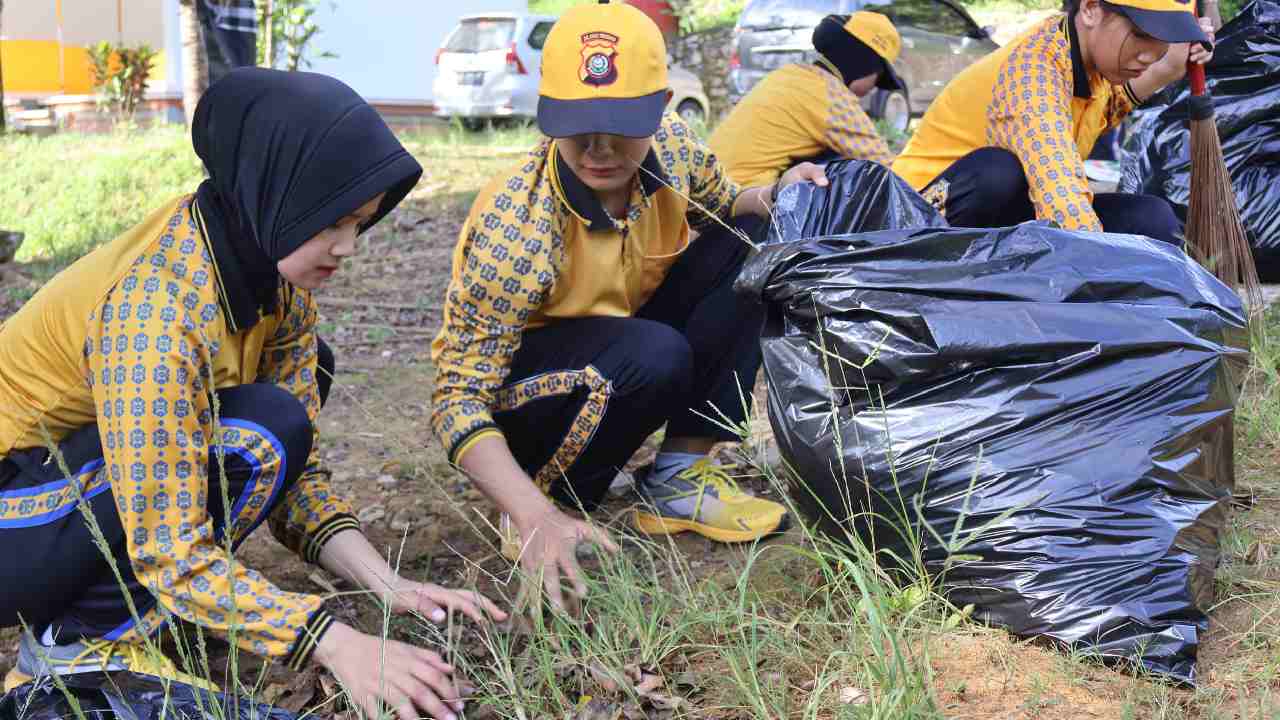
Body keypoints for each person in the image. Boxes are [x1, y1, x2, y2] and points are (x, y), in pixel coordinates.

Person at [0, 68, 505, 720]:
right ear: (275, 192)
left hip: (58, 503)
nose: (349, 247)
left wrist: (388, 584)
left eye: (362, 223)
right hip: (13, 516)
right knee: (260, 424)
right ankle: (75, 654)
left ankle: (128, 620)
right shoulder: (158, 310)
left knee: (280, 413)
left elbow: (294, 474)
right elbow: (171, 546)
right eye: (334, 221)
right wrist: (330, 643)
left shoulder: (271, 282)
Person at [430, 1, 828, 611]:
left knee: (750, 249)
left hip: (617, 356)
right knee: (654, 350)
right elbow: (455, 399)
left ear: (663, 108)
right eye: (577, 124)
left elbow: (726, 204)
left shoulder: (674, 151)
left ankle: (678, 477)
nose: (599, 148)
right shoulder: (518, 226)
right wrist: (528, 508)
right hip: (531, 402)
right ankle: (548, 499)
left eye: (622, 123)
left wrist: (778, 192)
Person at [891, 0, 1214, 244]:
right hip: (907, 224)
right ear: (1090, 9)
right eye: (1141, 34)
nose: (1148, 54)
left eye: (1162, 40)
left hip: (1000, 221)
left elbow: (1159, 70)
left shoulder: (1095, 69)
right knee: (999, 173)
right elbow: (1063, 202)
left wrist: (1183, 49)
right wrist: (1107, 271)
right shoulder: (1033, 73)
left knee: (1151, 218)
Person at [709, 11, 904, 187]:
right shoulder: (831, 96)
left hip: (707, 188)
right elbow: (887, 169)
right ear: (867, 66)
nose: (873, 89)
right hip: (742, 201)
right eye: (878, 80)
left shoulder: (789, 74)